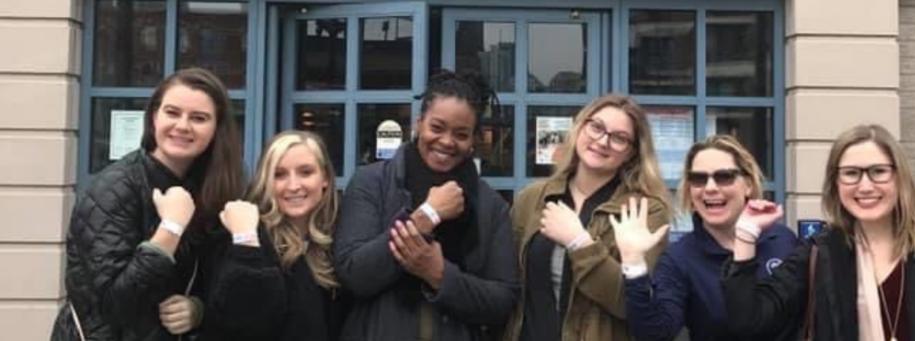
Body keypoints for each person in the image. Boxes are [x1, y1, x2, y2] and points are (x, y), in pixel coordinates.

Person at [722, 124, 915, 341]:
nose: (865, 186)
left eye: (878, 171)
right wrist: (746, 234)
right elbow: (749, 322)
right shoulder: (821, 253)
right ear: (836, 183)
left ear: (899, 177)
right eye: (851, 173)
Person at [51, 68, 244, 341]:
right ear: (154, 117)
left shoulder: (211, 190)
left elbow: (223, 283)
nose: (183, 126)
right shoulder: (114, 189)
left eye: (199, 118)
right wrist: (170, 229)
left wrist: (198, 309)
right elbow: (114, 305)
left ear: (217, 128)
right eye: (172, 112)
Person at [333, 70, 518, 341]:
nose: (446, 141)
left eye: (461, 134)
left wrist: (440, 275)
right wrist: (426, 216)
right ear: (419, 124)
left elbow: (503, 300)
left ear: (473, 141)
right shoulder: (372, 182)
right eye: (437, 127)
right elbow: (354, 273)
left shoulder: (491, 206)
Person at [503, 94, 672, 341]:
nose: (602, 141)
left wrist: (579, 242)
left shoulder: (646, 211)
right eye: (596, 127)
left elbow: (633, 306)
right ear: (580, 127)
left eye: (619, 138)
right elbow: (510, 288)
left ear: (631, 153)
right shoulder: (532, 199)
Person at [612, 135, 798, 341]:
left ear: (748, 185)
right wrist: (633, 263)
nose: (710, 188)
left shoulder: (782, 240)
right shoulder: (679, 259)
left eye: (724, 176)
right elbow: (656, 334)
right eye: (699, 179)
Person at [199, 131, 347, 341]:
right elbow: (240, 323)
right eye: (279, 175)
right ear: (265, 181)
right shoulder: (242, 233)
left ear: (325, 178)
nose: (293, 185)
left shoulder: (339, 236)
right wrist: (246, 242)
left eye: (305, 172)